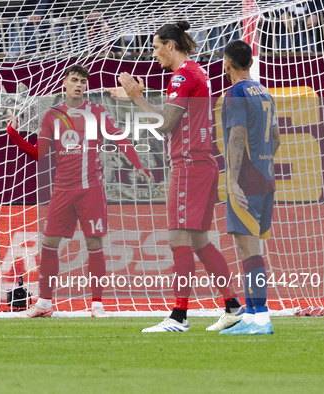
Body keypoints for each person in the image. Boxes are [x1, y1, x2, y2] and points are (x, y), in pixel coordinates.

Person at [106, 21, 243, 332]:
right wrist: (134, 98)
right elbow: (177, 111)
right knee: (198, 241)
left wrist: (138, 97)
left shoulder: (182, 75)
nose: (154, 54)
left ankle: (179, 316)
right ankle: (233, 306)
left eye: (156, 47)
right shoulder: (194, 72)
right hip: (203, 163)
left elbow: (166, 124)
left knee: (178, 239)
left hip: (190, 164)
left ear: (170, 45)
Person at [6, 64, 153, 318]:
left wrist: (138, 163)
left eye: (83, 82)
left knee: (94, 244)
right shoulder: (52, 115)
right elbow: (39, 155)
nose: (79, 85)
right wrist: (14, 135)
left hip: (91, 190)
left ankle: (97, 305)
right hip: (62, 190)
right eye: (74, 80)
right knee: (49, 244)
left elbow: (118, 137)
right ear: (64, 83)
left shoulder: (96, 111)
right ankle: (44, 303)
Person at [219, 40, 280, 335]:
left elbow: (237, 133)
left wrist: (232, 179)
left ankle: (260, 318)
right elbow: (277, 138)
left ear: (227, 63)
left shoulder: (235, 92)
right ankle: (253, 316)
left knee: (248, 249)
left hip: (246, 180)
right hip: (266, 179)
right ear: (250, 63)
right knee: (251, 248)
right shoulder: (264, 92)